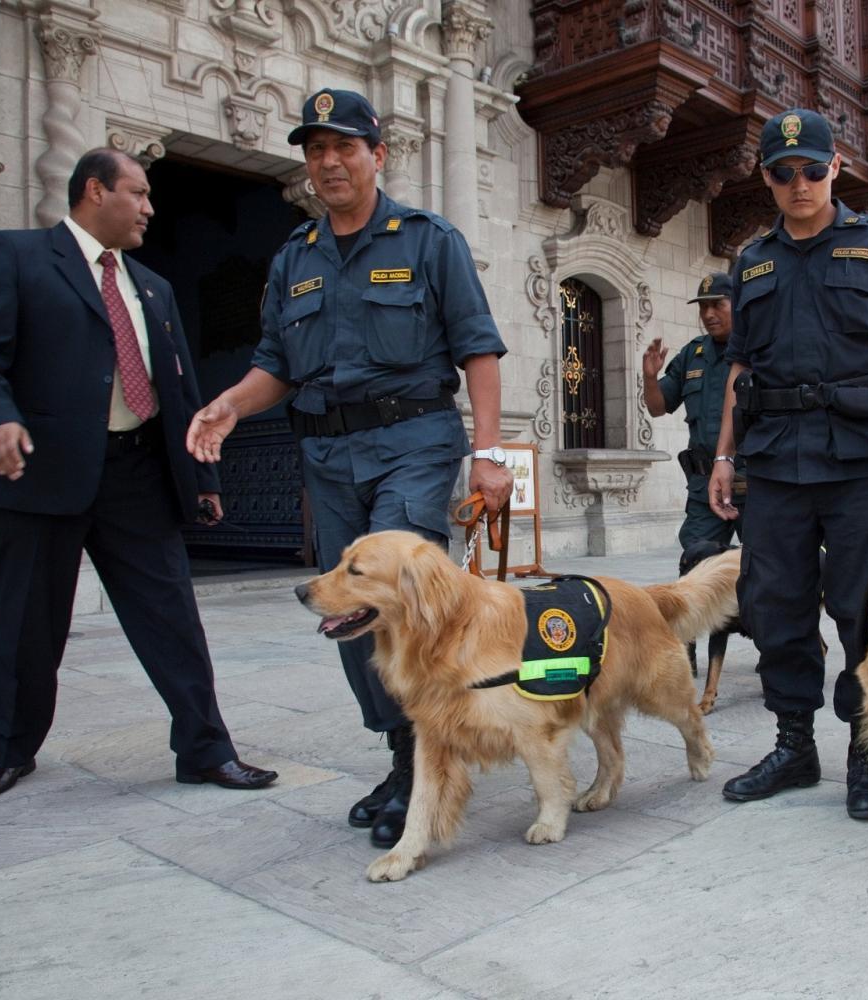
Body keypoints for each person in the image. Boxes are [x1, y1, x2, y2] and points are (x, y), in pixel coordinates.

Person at [187, 89, 512, 848]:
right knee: (349, 610)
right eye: (316, 150)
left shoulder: (428, 240)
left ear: (377, 155)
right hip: (328, 458)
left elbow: (478, 348)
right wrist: (230, 404)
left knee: (402, 597)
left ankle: (429, 765)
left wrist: (490, 455)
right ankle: (405, 755)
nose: (329, 162)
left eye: (344, 147)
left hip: (415, 442)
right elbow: (276, 365)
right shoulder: (294, 257)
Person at [0, 148, 278, 799]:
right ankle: (9, 751)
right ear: (95, 191)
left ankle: (206, 750)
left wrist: (202, 478)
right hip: (41, 471)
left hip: (137, 473)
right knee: (27, 622)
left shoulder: (152, 286)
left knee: (172, 617)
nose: (150, 207)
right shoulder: (16, 256)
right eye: (139, 192)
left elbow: (178, 388)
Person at [706, 108, 868, 820]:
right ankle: (794, 746)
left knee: (861, 605)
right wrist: (724, 454)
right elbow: (739, 367)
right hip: (775, 456)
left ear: (835, 167)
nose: (799, 183)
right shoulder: (753, 261)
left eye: (813, 169)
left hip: (859, 454)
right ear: (766, 178)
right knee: (773, 605)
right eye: (784, 173)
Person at [642, 272, 745, 548]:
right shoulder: (692, 354)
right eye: (703, 307)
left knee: (767, 563)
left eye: (717, 305)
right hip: (706, 486)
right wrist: (650, 378)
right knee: (696, 559)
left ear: (737, 304)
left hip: (754, 482)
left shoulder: (758, 351)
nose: (708, 314)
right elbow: (657, 407)